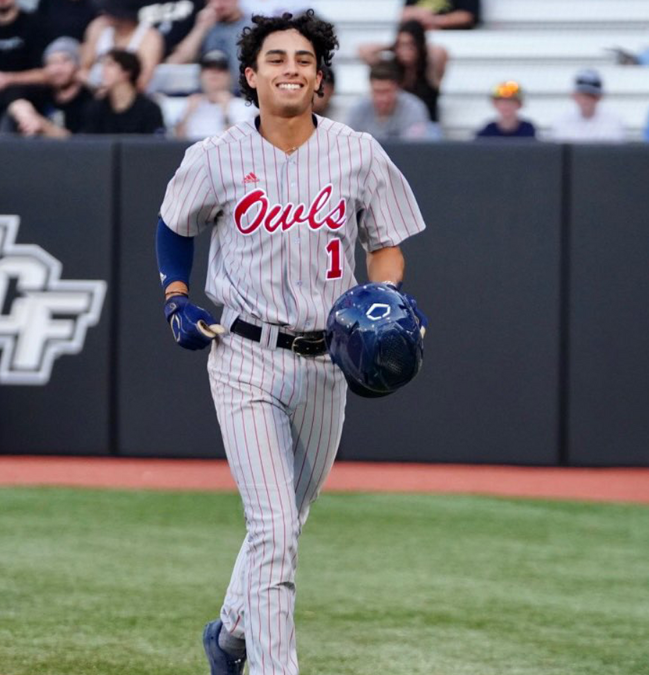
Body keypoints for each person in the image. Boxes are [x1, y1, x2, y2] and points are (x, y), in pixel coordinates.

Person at [156, 11, 427, 675]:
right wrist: (177, 297)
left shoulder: (358, 152)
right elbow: (173, 226)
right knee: (274, 526)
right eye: (276, 58)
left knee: (285, 523)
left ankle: (230, 635)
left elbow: (386, 245)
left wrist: (383, 299)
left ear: (320, 79)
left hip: (328, 361)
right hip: (244, 353)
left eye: (304, 59)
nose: (291, 68)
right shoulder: (216, 156)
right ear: (250, 75)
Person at [4, 37, 95, 137]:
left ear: (77, 65)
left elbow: (78, 143)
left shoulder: (89, 100)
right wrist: (26, 115)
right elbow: (12, 96)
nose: (58, 69)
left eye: (65, 61)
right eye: (52, 63)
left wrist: (41, 124)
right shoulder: (43, 94)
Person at [356, 20, 446, 122]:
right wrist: (392, 47)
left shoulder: (430, 69)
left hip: (427, 127)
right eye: (401, 44)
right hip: (398, 128)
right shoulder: (391, 68)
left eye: (411, 44)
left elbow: (440, 52)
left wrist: (418, 47)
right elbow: (363, 51)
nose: (405, 49)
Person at [164, 0, 251, 91]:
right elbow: (175, 63)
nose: (219, 4)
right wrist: (201, 28)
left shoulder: (251, 26)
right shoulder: (203, 24)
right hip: (204, 95)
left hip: (242, 94)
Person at [80, 0, 164, 92]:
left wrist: (110, 93)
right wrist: (96, 88)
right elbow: (83, 69)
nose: (104, 13)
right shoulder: (98, 27)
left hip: (129, 98)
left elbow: (142, 82)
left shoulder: (149, 37)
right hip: (93, 92)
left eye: (109, 11)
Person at [172, 49, 256, 140]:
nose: (214, 73)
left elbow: (240, 144)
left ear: (229, 76)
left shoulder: (243, 107)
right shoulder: (188, 105)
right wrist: (187, 115)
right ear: (200, 75)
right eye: (208, 68)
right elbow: (175, 143)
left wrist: (226, 113)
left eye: (220, 69)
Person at [81, 49, 166, 134]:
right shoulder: (95, 109)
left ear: (126, 72)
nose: (103, 70)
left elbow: (155, 143)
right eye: (103, 65)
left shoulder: (149, 110)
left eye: (110, 65)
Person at [346, 61, 435, 140]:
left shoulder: (414, 108)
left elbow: (414, 147)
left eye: (387, 91)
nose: (382, 98)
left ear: (397, 88)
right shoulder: (358, 109)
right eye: (377, 91)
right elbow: (350, 144)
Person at [548, 68, 626, 142]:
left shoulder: (614, 122)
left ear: (600, 97)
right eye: (582, 95)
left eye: (591, 95)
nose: (586, 100)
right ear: (574, 96)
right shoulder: (561, 122)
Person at [400, 0, 479, 30]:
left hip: (452, 36)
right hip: (420, 35)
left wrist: (435, 21)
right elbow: (405, 13)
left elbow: (468, 17)